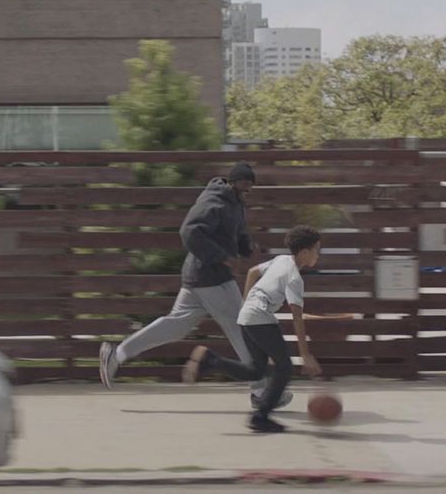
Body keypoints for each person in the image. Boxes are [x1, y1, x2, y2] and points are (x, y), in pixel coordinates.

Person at [98, 162, 288, 409]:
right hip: (210, 275)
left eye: (251, 185)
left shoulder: (236, 203)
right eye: (243, 183)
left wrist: (246, 246)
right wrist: (223, 257)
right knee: (241, 326)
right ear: (232, 182)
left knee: (176, 325)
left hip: (202, 277)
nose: (247, 189)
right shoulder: (215, 201)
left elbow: (236, 233)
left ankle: (117, 354)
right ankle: (261, 390)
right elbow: (190, 232)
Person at [182, 225, 324, 433]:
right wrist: (305, 355)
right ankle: (260, 416)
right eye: (316, 250)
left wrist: (248, 303)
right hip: (260, 319)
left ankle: (211, 361)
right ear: (304, 253)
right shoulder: (294, 278)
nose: (318, 256)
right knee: (284, 368)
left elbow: (252, 272)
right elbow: (297, 319)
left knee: (256, 370)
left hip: (246, 316)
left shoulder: (281, 260)